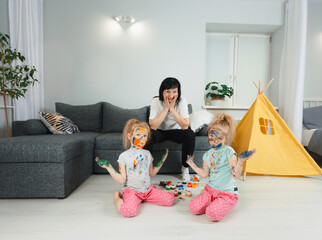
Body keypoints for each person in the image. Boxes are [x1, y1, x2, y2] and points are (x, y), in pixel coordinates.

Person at [95, 119, 174, 218]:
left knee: (170, 200)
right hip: (132, 191)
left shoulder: (147, 154)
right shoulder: (124, 156)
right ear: (129, 136)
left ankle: (151, 195)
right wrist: (108, 167)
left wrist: (162, 161)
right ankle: (116, 197)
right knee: (129, 212)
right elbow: (122, 180)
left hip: (147, 190)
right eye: (138, 135)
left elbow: (152, 173)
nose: (142, 138)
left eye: (145, 136)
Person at [186, 113, 256, 221]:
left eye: (219, 138)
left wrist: (240, 162)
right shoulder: (207, 155)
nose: (215, 141)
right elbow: (204, 174)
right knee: (193, 208)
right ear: (208, 135)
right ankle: (212, 201)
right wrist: (192, 164)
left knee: (211, 214)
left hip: (226, 193)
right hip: (210, 191)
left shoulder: (229, 151)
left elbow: (235, 176)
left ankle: (225, 203)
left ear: (226, 139)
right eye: (212, 137)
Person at [147, 77, 195, 183]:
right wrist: (165, 108)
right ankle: (147, 168)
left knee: (190, 134)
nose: (171, 95)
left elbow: (185, 126)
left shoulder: (182, 101)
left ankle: (185, 168)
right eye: (167, 91)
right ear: (162, 92)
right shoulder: (155, 101)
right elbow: (153, 126)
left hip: (176, 131)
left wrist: (172, 109)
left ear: (178, 92)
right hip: (159, 131)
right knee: (148, 134)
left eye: (174, 91)